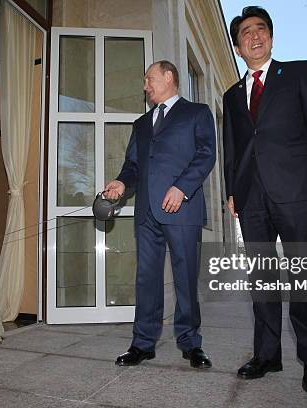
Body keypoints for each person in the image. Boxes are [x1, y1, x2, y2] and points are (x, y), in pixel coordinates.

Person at [222, 6, 307, 394]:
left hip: (294, 188)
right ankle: (267, 355)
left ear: (270, 37)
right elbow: (232, 148)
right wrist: (231, 190)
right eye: (245, 32)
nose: (254, 36)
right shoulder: (231, 94)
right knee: (262, 278)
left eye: (260, 29)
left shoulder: (296, 72)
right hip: (251, 195)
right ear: (238, 46)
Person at [104, 60, 216, 368]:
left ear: (169, 77)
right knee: (147, 279)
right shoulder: (141, 124)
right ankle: (143, 343)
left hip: (182, 207)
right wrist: (121, 182)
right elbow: (133, 166)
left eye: (149, 79)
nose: (145, 85)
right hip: (147, 213)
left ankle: (191, 344)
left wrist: (182, 188)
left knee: (185, 278)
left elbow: (207, 154)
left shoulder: (197, 113)